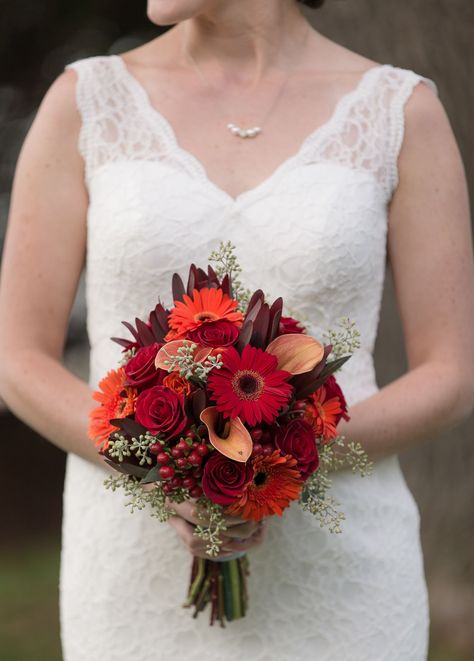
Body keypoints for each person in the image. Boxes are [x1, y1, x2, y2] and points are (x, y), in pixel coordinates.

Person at [0, 0, 473, 659]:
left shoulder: (400, 112)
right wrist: (165, 463)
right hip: (136, 578)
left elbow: (451, 371)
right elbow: (18, 357)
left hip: (343, 574)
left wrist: (277, 461)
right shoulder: (85, 101)